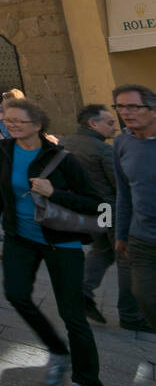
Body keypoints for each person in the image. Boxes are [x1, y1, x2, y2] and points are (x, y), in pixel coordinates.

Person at [0, 98, 105, 386]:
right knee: (16, 294)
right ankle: (57, 351)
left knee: (72, 315)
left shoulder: (63, 159)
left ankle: (87, 382)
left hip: (60, 243)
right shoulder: (2, 150)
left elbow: (98, 206)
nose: (9, 124)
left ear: (37, 125)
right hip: (19, 238)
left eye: (17, 121)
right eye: (6, 120)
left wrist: (56, 193)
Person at [59, 104, 144, 329]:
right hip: (110, 212)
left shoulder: (65, 142)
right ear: (93, 124)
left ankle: (82, 292)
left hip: (87, 211)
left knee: (103, 251)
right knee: (127, 260)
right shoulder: (103, 150)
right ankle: (131, 315)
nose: (115, 128)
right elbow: (121, 187)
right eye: (109, 123)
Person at [113, 84, 156, 332]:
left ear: (153, 110)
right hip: (141, 237)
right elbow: (124, 192)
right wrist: (120, 233)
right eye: (120, 106)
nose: (125, 112)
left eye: (133, 106)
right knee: (145, 296)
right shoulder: (122, 143)